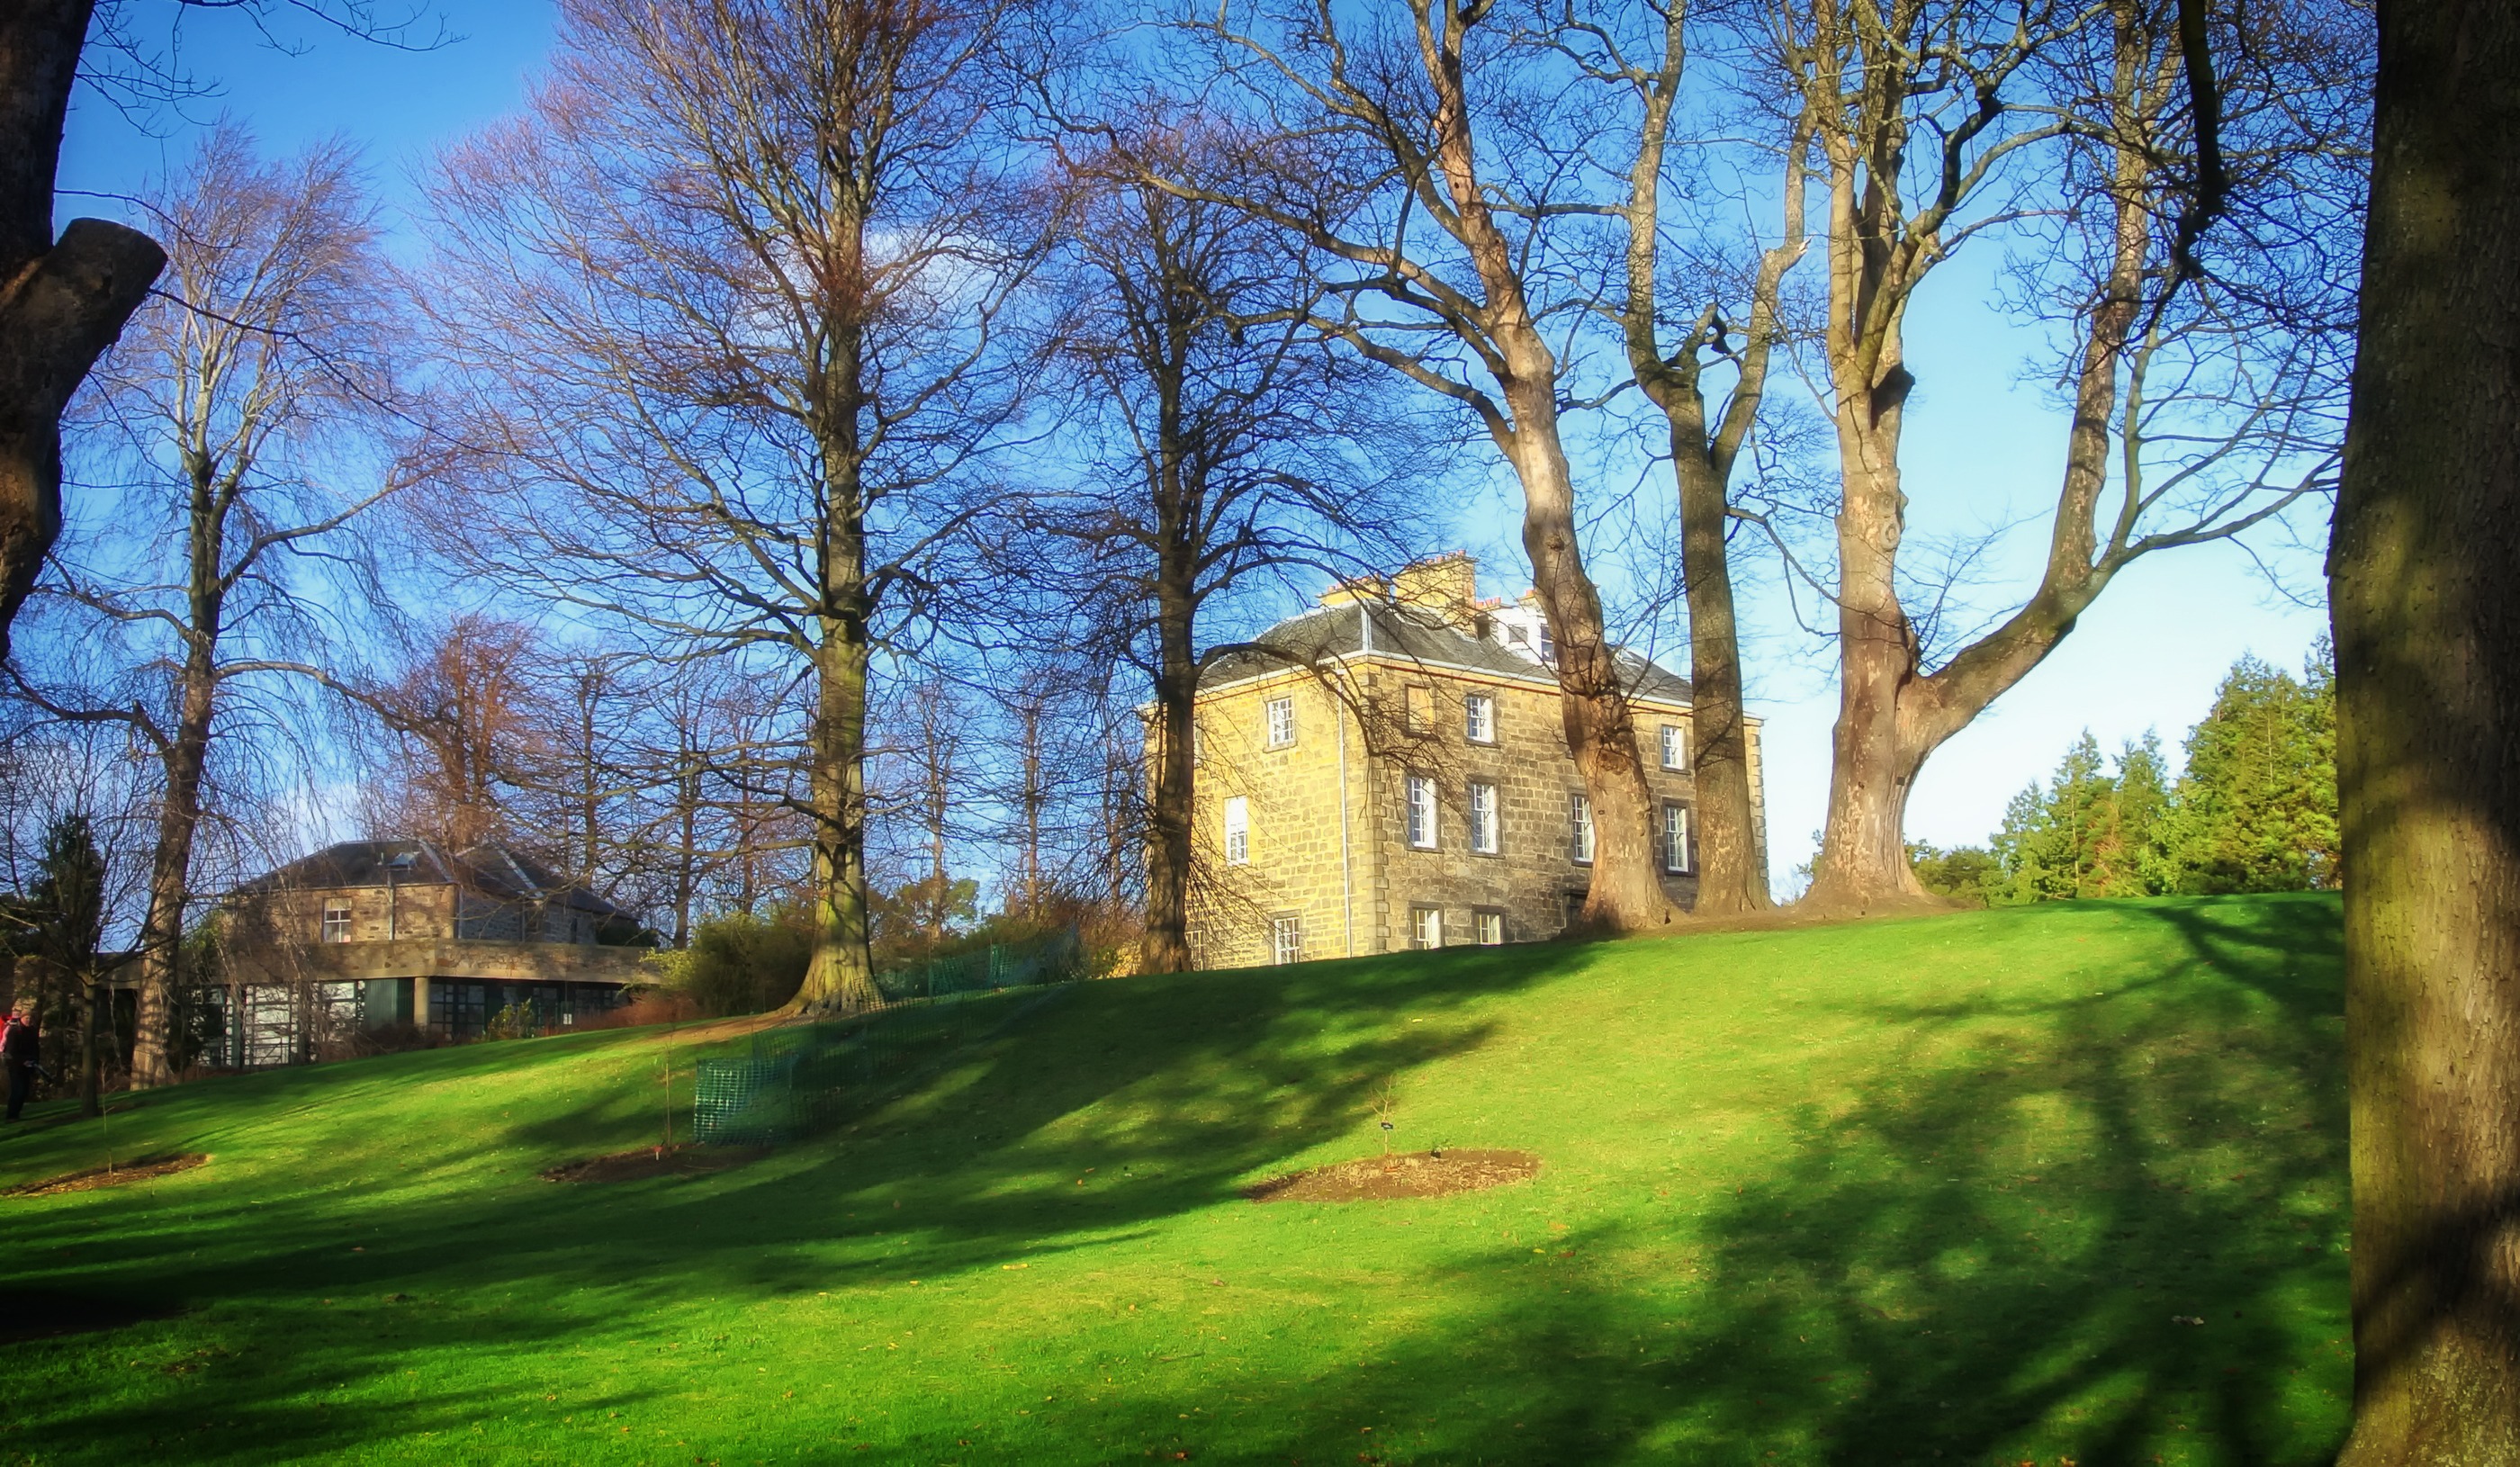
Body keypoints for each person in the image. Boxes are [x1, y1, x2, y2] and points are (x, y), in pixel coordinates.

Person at [3, 1000, 38, 1121]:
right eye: (26, 1017)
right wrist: (23, 1060)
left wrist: (34, 1061)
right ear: (21, 1018)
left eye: (29, 1018)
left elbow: (35, 1048)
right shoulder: (15, 1032)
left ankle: (16, 1113)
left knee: (24, 1091)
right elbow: (12, 1051)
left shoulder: (32, 1031)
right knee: (18, 1089)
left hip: (28, 1064)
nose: (28, 1020)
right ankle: (11, 1115)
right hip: (15, 1065)